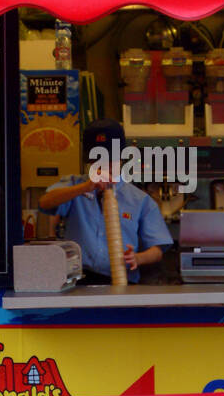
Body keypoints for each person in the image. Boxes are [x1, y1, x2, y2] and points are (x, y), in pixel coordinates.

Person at [38, 118, 173, 284]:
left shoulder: (140, 200)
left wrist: (138, 258)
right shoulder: (74, 185)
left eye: (110, 159)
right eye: (97, 160)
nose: (103, 165)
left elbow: (157, 249)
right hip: (78, 282)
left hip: (122, 281)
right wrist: (84, 188)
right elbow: (44, 203)